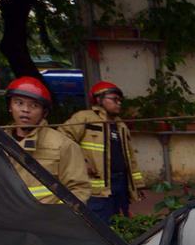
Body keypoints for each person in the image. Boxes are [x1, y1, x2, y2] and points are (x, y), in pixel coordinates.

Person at [62, 81, 144, 222]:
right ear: (98, 99)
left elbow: (130, 158)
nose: (118, 103)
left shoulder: (121, 125)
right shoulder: (85, 118)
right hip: (98, 187)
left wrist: (138, 184)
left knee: (121, 221)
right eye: (114, 99)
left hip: (121, 183)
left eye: (120, 100)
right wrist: (82, 162)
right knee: (101, 223)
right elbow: (63, 138)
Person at [5, 76, 91, 204]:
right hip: (6, 218)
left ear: (44, 112)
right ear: (10, 106)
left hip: (46, 221)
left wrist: (55, 216)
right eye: (19, 103)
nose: (25, 110)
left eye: (34, 105)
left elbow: (79, 190)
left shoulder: (63, 145)